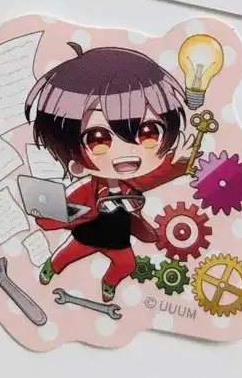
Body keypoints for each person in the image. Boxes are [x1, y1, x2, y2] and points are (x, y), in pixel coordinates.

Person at [25, 42, 194, 302]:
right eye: (98, 139)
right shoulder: (88, 189)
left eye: (148, 132)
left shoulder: (131, 183)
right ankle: (52, 266)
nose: (127, 150)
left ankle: (109, 283)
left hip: (118, 239)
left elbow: (156, 175)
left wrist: (180, 161)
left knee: (127, 265)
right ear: (76, 161)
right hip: (89, 235)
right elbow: (57, 214)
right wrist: (45, 213)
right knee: (67, 256)